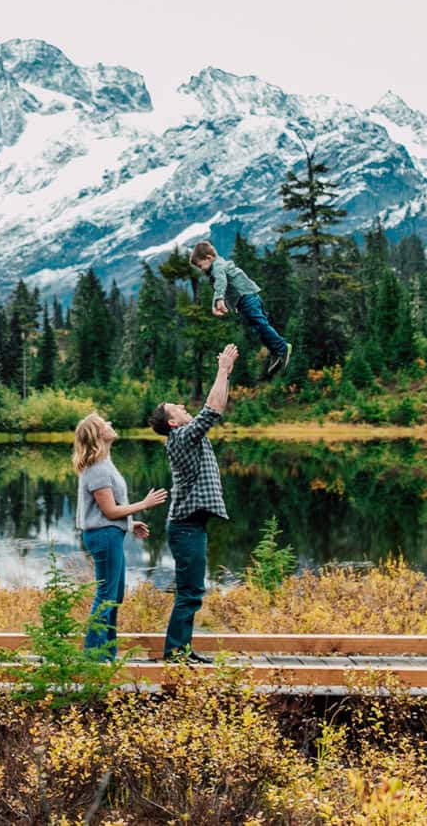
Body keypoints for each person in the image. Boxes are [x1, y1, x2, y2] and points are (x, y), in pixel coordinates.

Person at [150, 342, 236, 663]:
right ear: (172, 422)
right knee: (190, 592)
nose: (185, 408)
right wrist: (222, 370)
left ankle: (181, 650)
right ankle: (176, 654)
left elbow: (217, 407)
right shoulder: (182, 437)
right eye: (178, 409)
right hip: (185, 528)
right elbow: (211, 411)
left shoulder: (187, 435)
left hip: (191, 526)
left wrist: (224, 376)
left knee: (191, 590)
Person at [72, 412, 165, 658]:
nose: (111, 424)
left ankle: (107, 654)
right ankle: (94, 658)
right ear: (97, 435)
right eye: (105, 424)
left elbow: (109, 509)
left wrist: (130, 523)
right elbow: (110, 511)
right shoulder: (98, 469)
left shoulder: (103, 463)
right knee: (106, 595)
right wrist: (143, 504)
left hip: (109, 533)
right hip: (103, 536)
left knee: (114, 595)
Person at [189, 241, 291, 381]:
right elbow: (220, 283)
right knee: (260, 328)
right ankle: (276, 350)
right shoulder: (219, 265)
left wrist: (219, 299)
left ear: (208, 258)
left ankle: (282, 348)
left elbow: (221, 282)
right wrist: (215, 303)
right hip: (249, 297)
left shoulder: (217, 267)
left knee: (261, 326)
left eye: (201, 266)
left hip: (246, 298)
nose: (201, 269)